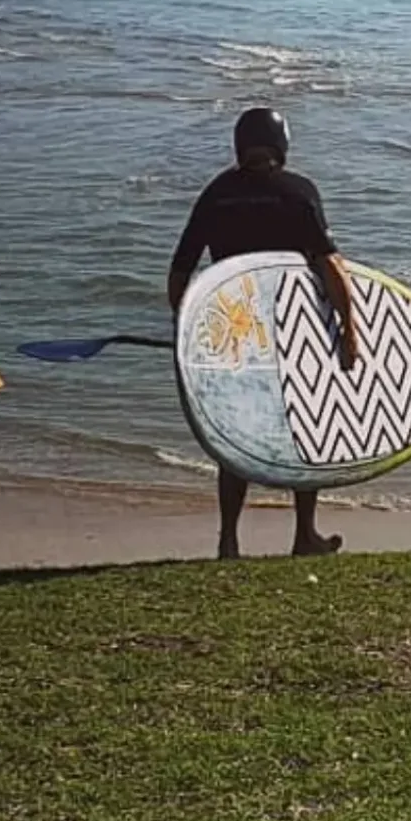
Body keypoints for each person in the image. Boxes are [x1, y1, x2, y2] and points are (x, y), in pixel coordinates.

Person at [167, 106, 359, 560]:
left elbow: (180, 272)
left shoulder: (216, 194)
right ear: (282, 145)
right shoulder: (298, 192)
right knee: (302, 427)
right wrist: (351, 332)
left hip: (235, 334)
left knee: (235, 434)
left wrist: (186, 329)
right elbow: (329, 265)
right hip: (294, 331)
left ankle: (228, 541)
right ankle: (304, 536)